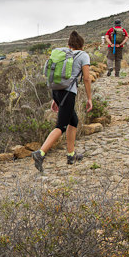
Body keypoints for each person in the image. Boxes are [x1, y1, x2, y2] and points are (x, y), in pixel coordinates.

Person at [32, 31, 93, 172]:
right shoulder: (83, 55)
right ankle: (40, 153)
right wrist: (89, 98)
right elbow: (86, 78)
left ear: (69, 44)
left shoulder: (63, 54)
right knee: (61, 126)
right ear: (82, 45)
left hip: (57, 91)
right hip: (68, 93)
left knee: (74, 121)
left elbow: (57, 77)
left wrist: (55, 99)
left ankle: (71, 155)